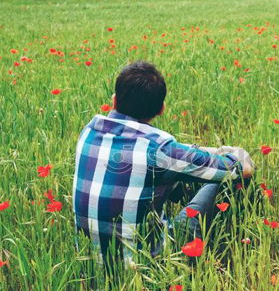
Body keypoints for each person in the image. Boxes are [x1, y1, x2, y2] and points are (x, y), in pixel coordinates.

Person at [72, 60, 253, 275]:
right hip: (145, 268)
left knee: (172, 177)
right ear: (161, 109)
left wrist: (213, 150)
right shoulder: (159, 149)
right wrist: (239, 153)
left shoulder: (88, 131)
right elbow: (240, 168)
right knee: (227, 180)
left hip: (90, 268)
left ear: (114, 101)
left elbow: (164, 151)